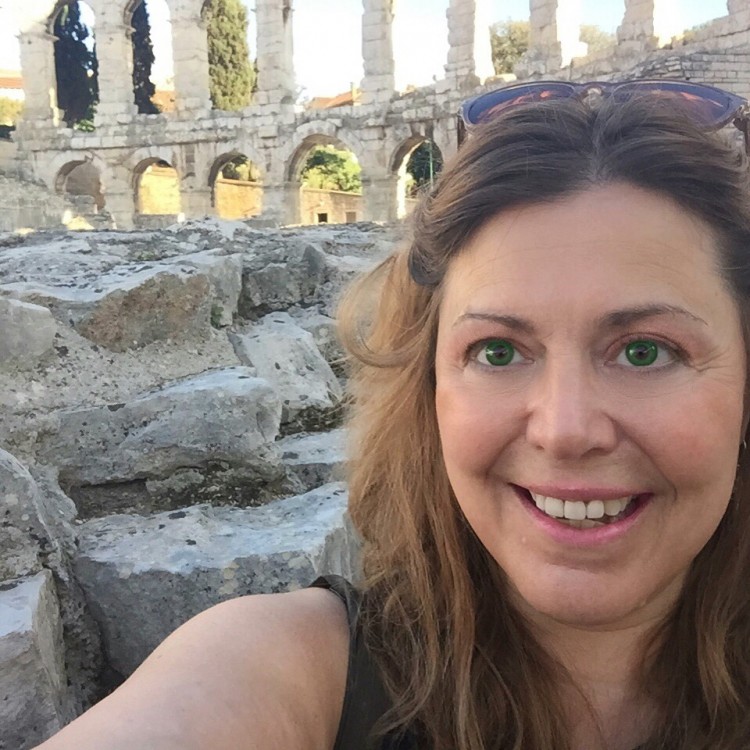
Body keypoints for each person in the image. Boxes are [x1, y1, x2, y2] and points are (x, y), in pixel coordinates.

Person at [35, 79, 750, 750]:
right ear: (429, 386)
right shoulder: (283, 665)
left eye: (646, 352)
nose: (565, 429)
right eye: (498, 352)